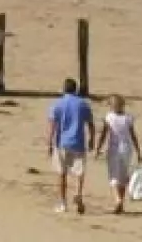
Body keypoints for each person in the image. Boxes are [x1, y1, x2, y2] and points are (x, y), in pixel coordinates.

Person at [46, 78, 95, 215]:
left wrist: (49, 143)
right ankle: (78, 193)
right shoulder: (83, 104)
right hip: (78, 142)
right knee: (79, 172)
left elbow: (52, 126)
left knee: (62, 174)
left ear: (63, 89)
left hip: (61, 143)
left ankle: (62, 202)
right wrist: (92, 140)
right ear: (76, 89)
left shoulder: (57, 104)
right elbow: (90, 124)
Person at [94, 94, 142, 214]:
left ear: (111, 106)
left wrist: (98, 148)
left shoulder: (109, 117)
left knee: (114, 175)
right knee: (123, 176)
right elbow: (133, 135)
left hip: (114, 149)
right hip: (127, 149)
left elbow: (103, 134)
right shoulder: (128, 118)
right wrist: (138, 151)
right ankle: (121, 201)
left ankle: (117, 200)